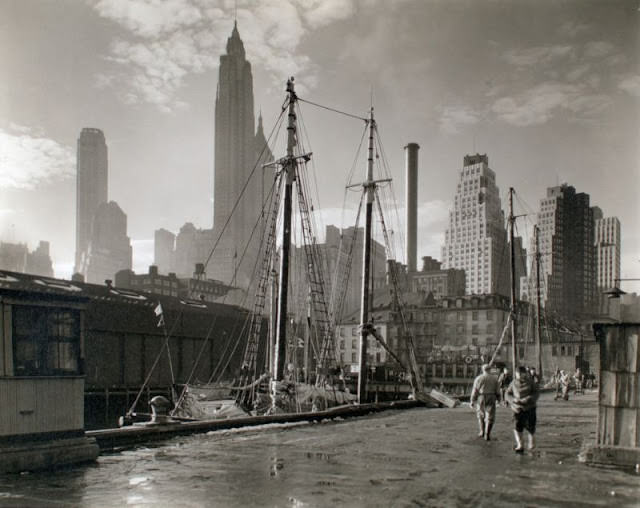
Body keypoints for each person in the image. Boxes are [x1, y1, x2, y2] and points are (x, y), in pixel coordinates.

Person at [506, 365, 539, 453]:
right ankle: (520, 444)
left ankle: (531, 443)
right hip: (517, 408)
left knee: (530, 427)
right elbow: (507, 393)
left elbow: (536, 393)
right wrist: (513, 400)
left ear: (525, 374)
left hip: (529, 408)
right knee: (517, 427)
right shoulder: (513, 383)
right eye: (518, 373)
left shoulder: (531, 382)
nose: (519, 375)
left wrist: (529, 398)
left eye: (521, 373)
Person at [470, 363, 500, 441]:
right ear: (490, 370)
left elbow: (475, 390)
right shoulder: (495, 379)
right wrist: (499, 399)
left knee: (480, 415)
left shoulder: (478, 378)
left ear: (483, 370)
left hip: (481, 397)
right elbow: (498, 391)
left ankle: (482, 432)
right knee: (490, 416)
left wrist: (472, 400)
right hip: (491, 396)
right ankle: (487, 434)